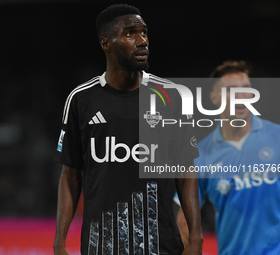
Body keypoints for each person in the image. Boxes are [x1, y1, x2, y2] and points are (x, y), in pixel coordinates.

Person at [53, 4, 203, 255]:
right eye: (130, 33)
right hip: (100, 247)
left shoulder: (171, 96)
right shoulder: (81, 99)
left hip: (162, 247)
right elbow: (70, 176)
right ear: (105, 43)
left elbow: (186, 171)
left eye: (144, 32)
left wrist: (196, 239)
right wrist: (59, 242)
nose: (142, 40)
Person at [175, 60, 280, 254]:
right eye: (231, 90)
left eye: (246, 88)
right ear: (214, 98)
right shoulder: (200, 157)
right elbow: (184, 222)